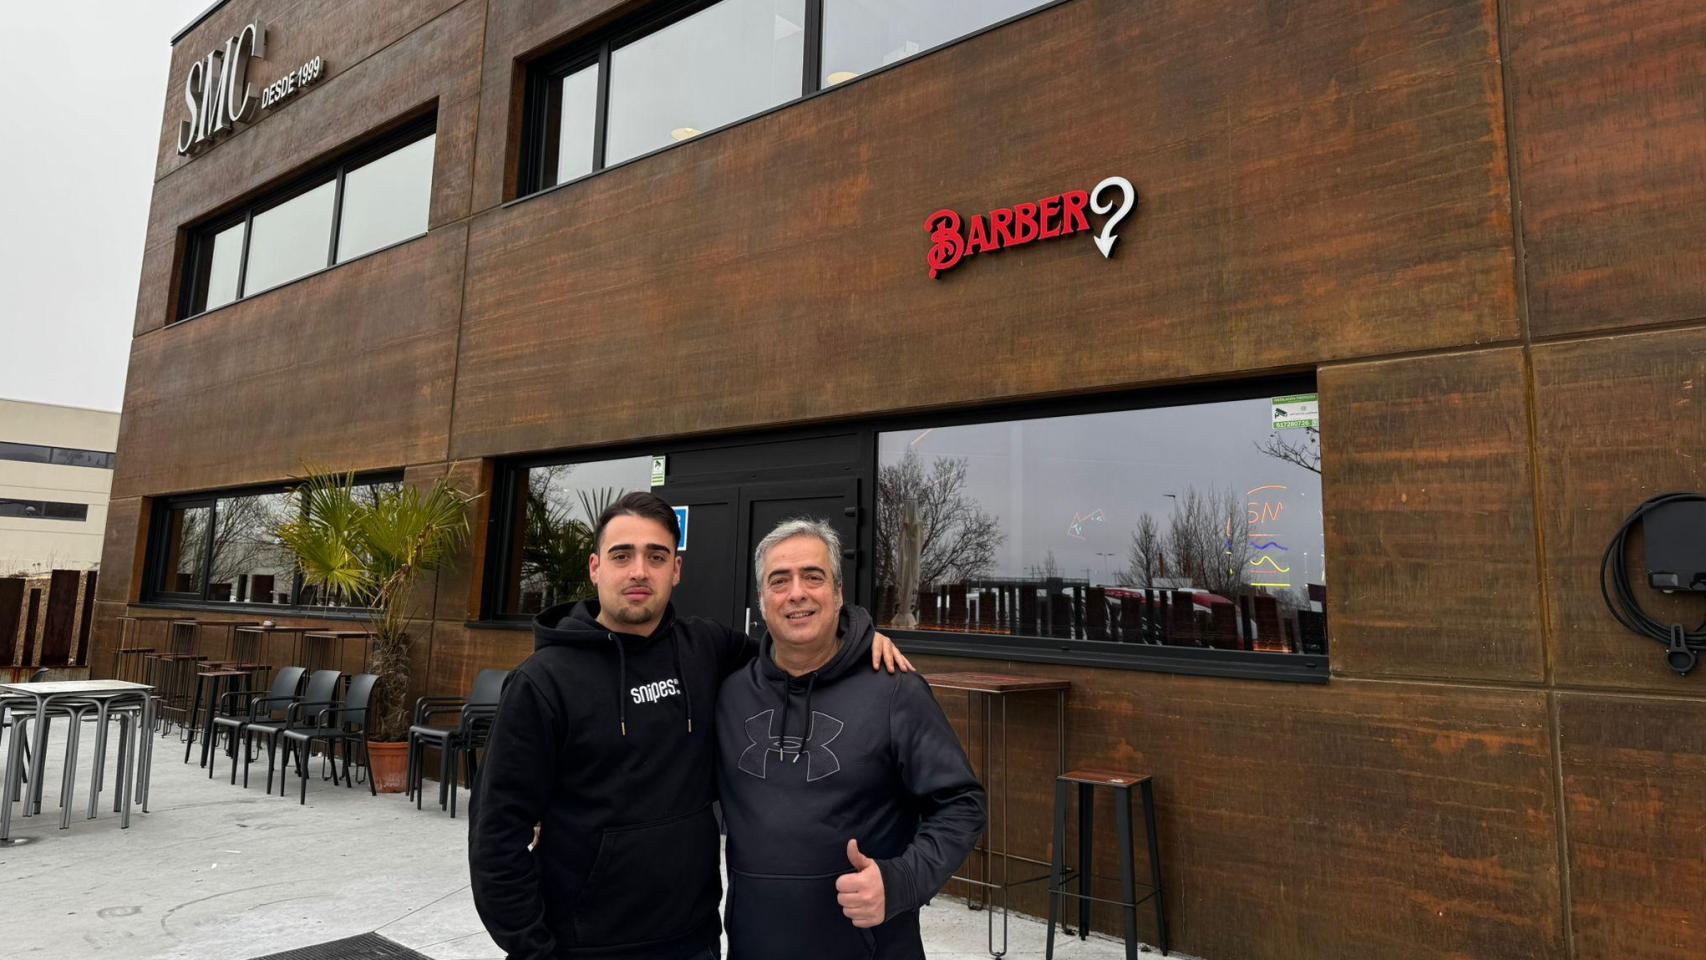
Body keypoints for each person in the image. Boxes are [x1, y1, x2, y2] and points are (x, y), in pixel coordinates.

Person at [468, 492, 911, 960]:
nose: (639, 571)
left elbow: (793, 649)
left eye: (656, 556)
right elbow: (497, 836)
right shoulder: (542, 683)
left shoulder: (707, 649)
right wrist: (534, 951)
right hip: (584, 945)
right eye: (622, 555)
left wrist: (855, 635)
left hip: (694, 940)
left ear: (675, 570)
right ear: (595, 568)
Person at [716, 518, 985, 960]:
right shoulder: (729, 695)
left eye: (813, 577)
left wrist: (902, 881)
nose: (797, 593)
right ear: (762, 601)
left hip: (872, 948)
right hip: (754, 946)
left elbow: (962, 804)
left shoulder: (894, 690)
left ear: (838, 593)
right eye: (779, 580)